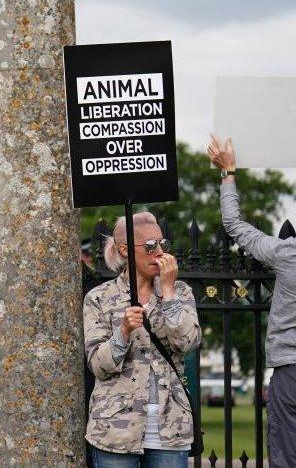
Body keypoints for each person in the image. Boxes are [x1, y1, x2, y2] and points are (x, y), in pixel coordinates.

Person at [83, 212, 201, 467]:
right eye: (150, 246)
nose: (159, 252)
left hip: (170, 430)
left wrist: (168, 294)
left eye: (162, 244)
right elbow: (98, 366)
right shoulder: (99, 298)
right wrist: (123, 331)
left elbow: (188, 343)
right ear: (125, 250)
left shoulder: (180, 292)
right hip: (115, 431)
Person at [208, 134, 296, 467]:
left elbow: (234, 225)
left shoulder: (288, 254)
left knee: (286, 456)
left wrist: (228, 173)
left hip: (290, 369)